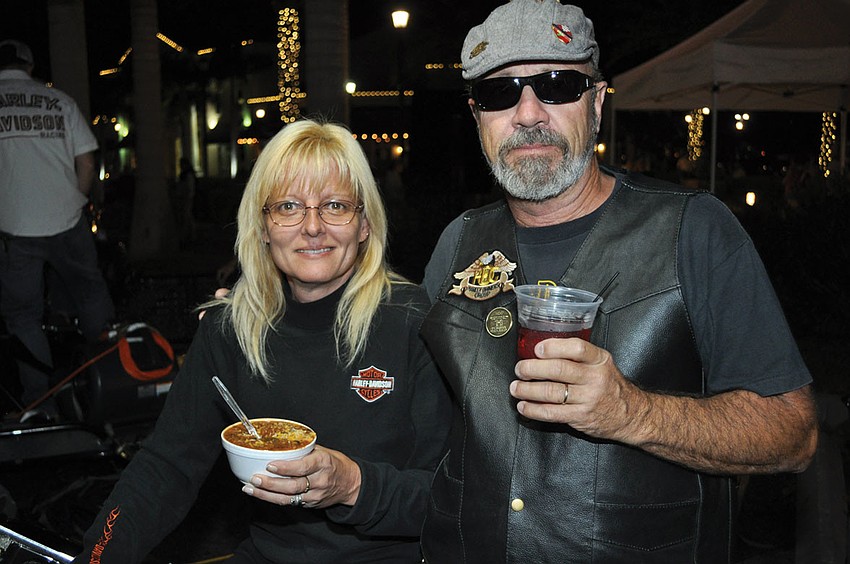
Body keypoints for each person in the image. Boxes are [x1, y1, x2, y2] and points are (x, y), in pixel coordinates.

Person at [417, 2, 818, 562]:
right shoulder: (457, 243)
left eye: (557, 86)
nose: (528, 113)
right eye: (498, 93)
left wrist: (630, 412)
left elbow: (792, 434)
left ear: (597, 102)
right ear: (476, 116)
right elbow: (420, 423)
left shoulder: (693, 230)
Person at [72, 119, 451, 563]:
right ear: (264, 226)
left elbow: (450, 498)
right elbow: (166, 467)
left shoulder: (412, 321)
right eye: (289, 206)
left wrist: (352, 485)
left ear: (365, 224)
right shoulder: (230, 328)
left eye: (335, 206)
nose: (313, 227)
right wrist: (96, 557)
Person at [0, 39, 115, 422]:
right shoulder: (59, 101)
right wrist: (75, 201)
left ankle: (41, 405)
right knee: (90, 294)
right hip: (68, 221)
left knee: (24, 317)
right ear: (29, 66)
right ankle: (111, 379)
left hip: (14, 227)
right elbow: (87, 162)